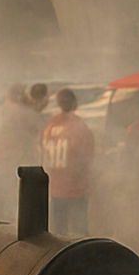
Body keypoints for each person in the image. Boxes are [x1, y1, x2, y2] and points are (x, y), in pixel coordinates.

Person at [40, 87, 96, 235]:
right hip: (76, 188)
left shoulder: (50, 126)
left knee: (58, 233)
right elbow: (87, 156)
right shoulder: (78, 126)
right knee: (80, 233)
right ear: (74, 102)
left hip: (54, 187)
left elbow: (41, 150)